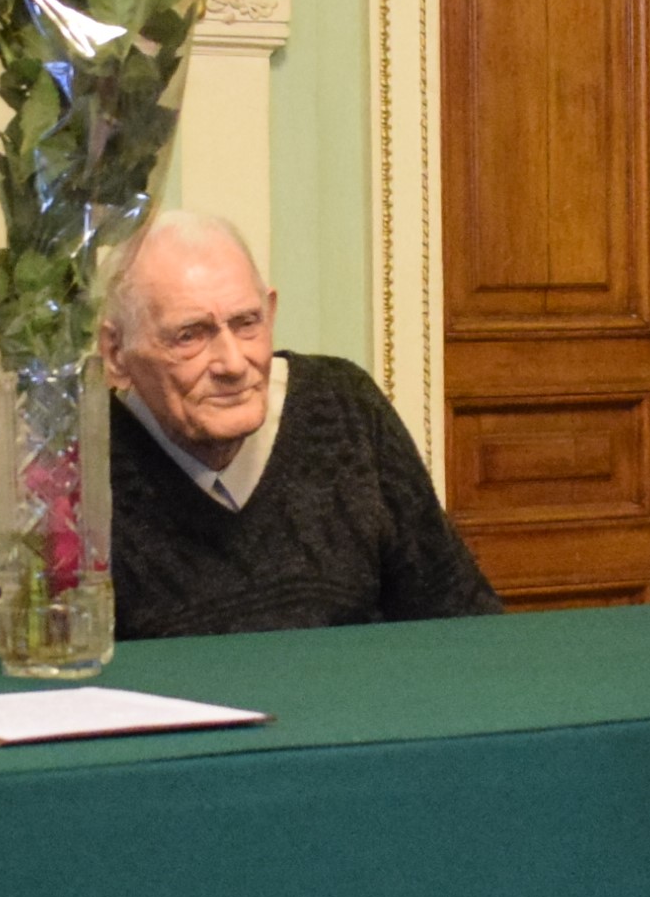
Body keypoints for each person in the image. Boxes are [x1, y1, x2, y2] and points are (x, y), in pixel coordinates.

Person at [100, 211, 503, 637]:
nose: (233, 364)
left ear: (270, 312)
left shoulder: (344, 406)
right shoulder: (80, 467)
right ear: (116, 354)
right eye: (190, 336)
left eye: (247, 323)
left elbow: (462, 617)